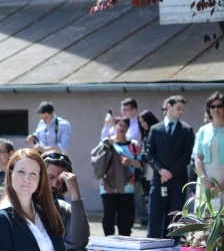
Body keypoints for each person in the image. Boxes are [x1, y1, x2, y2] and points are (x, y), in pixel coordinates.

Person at [0, 148, 70, 251]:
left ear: (40, 179)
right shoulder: (0, 218)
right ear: (10, 173)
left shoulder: (45, 212)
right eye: (21, 172)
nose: (27, 179)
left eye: (33, 174)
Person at [145, 96, 195, 239]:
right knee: (155, 216)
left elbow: (186, 155)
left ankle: (171, 249)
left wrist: (171, 172)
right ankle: (152, 249)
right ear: (168, 107)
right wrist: (161, 170)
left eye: (183, 109)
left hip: (178, 180)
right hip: (158, 179)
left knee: (175, 218)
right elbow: (150, 153)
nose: (181, 112)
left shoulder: (186, 130)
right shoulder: (155, 129)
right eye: (178, 108)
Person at [92, 118, 143, 237]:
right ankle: (109, 240)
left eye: (125, 125)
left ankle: (123, 240)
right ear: (115, 126)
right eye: (120, 125)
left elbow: (141, 163)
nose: (122, 128)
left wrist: (130, 161)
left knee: (124, 215)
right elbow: (97, 160)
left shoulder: (134, 145)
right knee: (108, 214)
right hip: (108, 185)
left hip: (127, 186)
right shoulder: (106, 143)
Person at [43, 152, 90, 251]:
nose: (55, 184)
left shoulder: (66, 208)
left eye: (61, 180)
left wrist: (75, 194)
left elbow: (79, 243)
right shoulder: (28, 205)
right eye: (50, 178)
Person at [193, 92, 224, 201]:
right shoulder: (203, 131)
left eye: (220, 106)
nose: (216, 109)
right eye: (213, 106)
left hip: (223, 178)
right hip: (207, 179)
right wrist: (203, 178)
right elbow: (197, 157)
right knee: (207, 216)